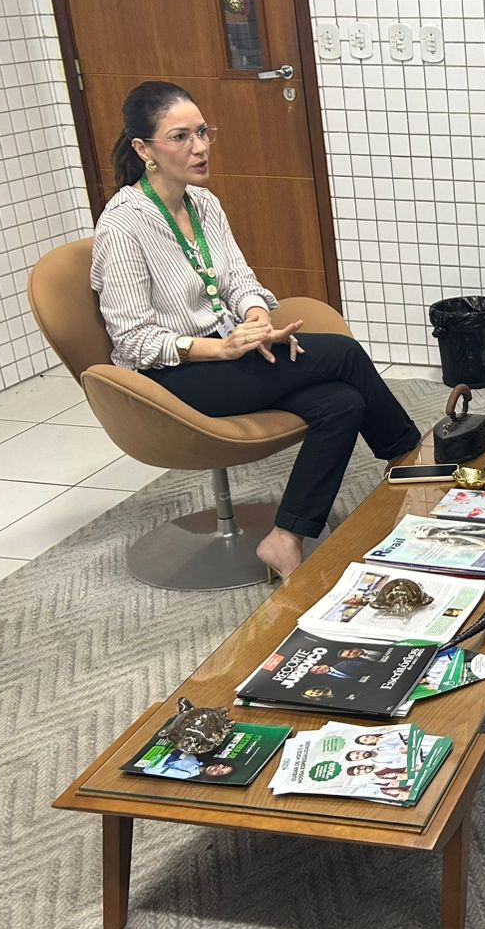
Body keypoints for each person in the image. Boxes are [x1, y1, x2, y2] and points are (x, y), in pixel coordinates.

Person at [91, 81, 423, 579]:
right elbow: (133, 341)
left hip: (231, 350)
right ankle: (411, 464)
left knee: (342, 403)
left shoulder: (204, 204)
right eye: (180, 137)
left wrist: (255, 320)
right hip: (172, 377)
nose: (200, 147)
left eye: (203, 132)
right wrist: (222, 350)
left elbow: (239, 281)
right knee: (344, 355)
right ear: (144, 150)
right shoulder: (122, 227)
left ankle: (284, 539)